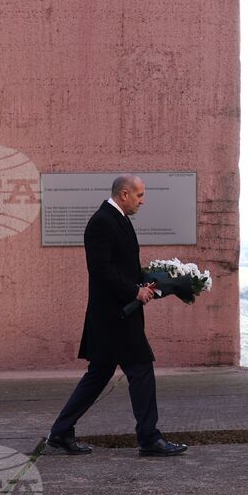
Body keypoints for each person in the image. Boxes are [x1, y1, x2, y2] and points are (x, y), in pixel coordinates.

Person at [46, 175, 188, 457]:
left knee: (99, 374)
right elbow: (100, 270)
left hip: (115, 315)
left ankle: (61, 431)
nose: (142, 200)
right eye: (139, 195)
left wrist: (150, 283)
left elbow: (122, 268)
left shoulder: (117, 218)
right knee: (141, 367)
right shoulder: (102, 222)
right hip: (114, 317)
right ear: (124, 194)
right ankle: (148, 438)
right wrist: (133, 292)